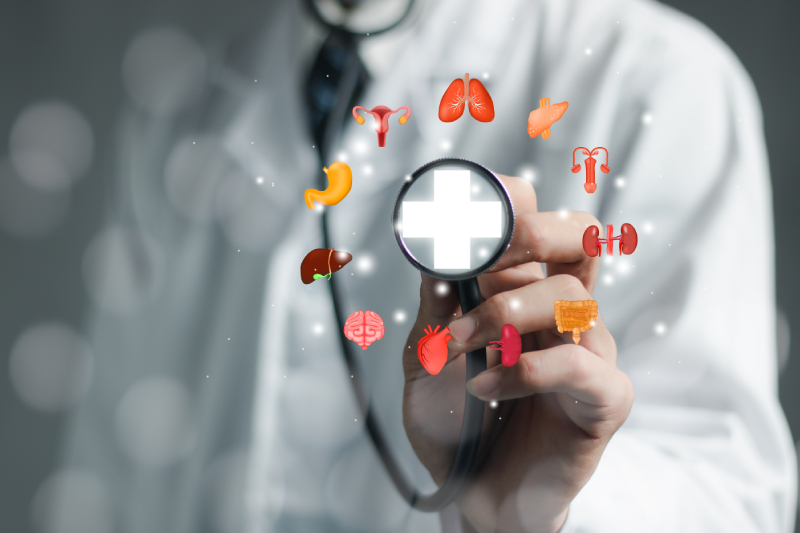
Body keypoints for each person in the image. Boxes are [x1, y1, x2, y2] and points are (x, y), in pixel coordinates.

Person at [58, 0, 796, 531]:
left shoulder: (658, 81)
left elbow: (732, 503)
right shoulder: (182, 108)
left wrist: (535, 509)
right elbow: (112, 473)